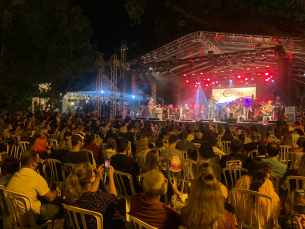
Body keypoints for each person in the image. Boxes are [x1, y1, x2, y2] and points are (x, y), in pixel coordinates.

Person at [65, 162, 127, 229]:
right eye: (92, 171)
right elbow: (113, 199)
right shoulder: (98, 199)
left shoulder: (71, 197)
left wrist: (98, 177)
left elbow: (89, 193)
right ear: (90, 179)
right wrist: (111, 176)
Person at [7, 150, 62, 224]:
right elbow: (50, 198)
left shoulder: (15, 176)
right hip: (32, 217)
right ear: (33, 163)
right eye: (38, 161)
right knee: (64, 209)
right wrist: (55, 193)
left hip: (16, 217)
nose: (39, 162)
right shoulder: (36, 178)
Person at [234, 158, 281, 227]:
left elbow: (235, 199)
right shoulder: (267, 182)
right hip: (263, 220)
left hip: (245, 218)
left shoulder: (242, 180)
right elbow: (274, 203)